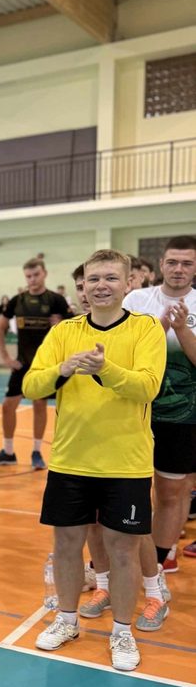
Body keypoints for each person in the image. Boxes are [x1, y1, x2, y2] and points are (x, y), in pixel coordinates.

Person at [24, 250, 166, 671]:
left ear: (128, 284)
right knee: (66, 545)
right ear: (83, 286)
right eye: (93, 279)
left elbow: (148, 387)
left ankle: (122, 632)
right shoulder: (64, 332)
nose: (101, 285)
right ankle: (67, 621)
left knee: (123, 552)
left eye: (110, 278)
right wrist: (63, 369)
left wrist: (106, 369)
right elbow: (32, 385)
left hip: (126, 463)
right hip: (70, 461)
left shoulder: (146, 329)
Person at [123, 236, 196, 580]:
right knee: (130, 490)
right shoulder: (137, 300)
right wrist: (161, 327)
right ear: (162, 264)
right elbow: (126, 352)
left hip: (183, 416)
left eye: (187, 263)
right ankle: (122, 560)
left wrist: (181, 329)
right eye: (173, 262)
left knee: (170, 492)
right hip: (135, 411)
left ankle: (159, 562)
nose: (179, 269)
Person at [0, 258, 69, 470]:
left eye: (36, 275)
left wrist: (62, 325)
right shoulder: (18, 301)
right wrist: (6, 357)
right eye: (28, 276)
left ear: (45, 274)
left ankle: (36, 451)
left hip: (45, 364)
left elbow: (74, 329)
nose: (32, 279)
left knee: (39, 404)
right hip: (22, 364)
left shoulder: (56, 300)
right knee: (7, 406)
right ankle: (8, 451)